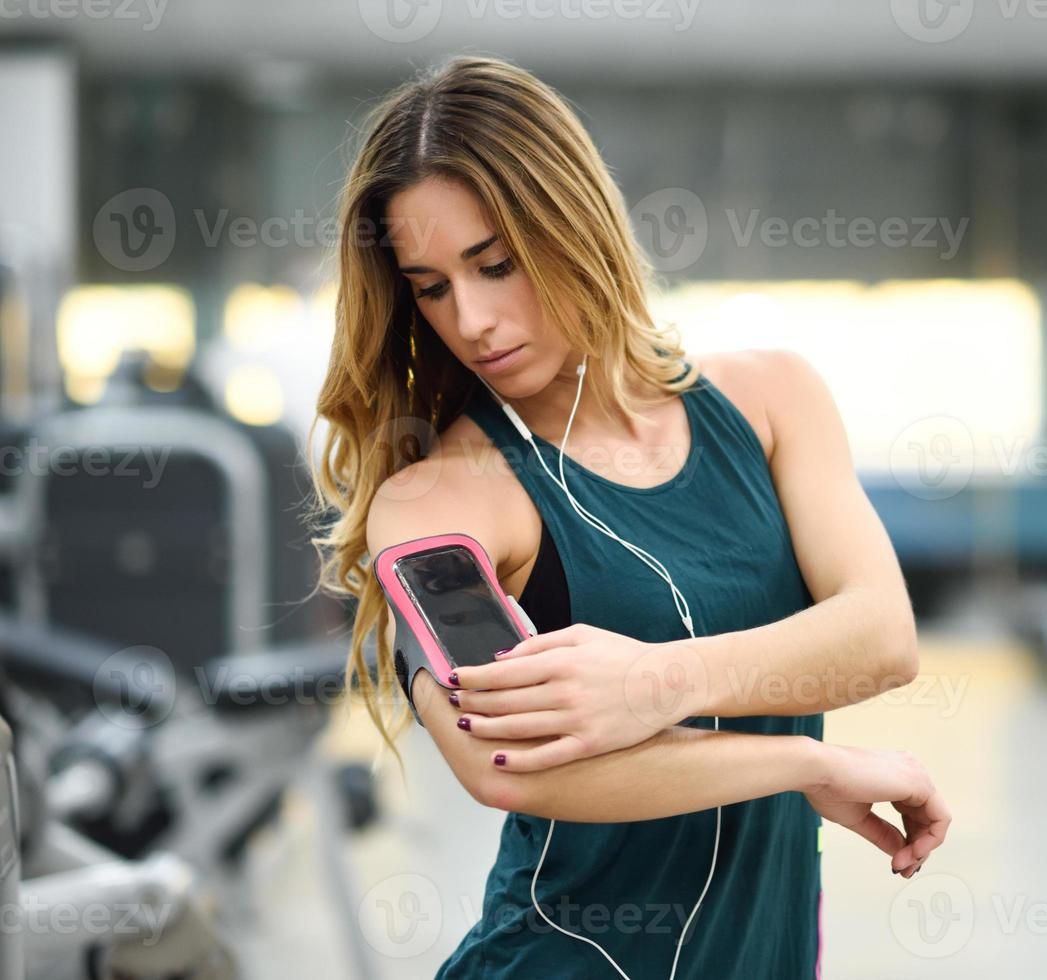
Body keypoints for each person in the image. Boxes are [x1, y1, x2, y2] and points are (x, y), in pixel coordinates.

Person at [309, 56, 950, 979]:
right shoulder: (436, 500)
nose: (475, 320)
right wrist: (807, 767)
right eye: (432, 286)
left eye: (495, 264)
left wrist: (653, 684)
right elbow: (506, 768)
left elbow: (881, 635)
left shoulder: (770, 398)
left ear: (575, 225)